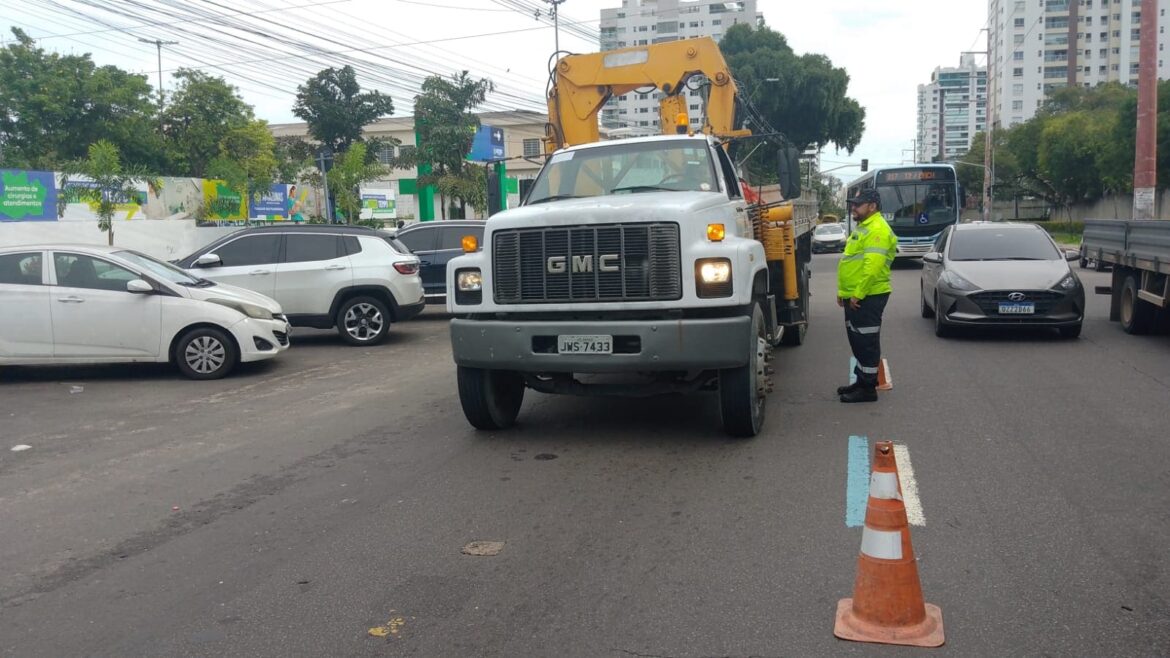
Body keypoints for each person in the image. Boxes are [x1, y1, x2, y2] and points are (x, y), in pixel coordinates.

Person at [836, 188, 896, 403]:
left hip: (868, 295)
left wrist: (857, 294)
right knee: (857, 340)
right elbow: (851, 262)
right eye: (853, 203)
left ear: (872, 206)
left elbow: (872, 267)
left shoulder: (877, 229)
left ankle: (868, 389)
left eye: (858, 204)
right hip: (856, 295)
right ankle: (861, 381)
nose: (853, 207)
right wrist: (843, 293)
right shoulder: (864, 227)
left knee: (866, 341)